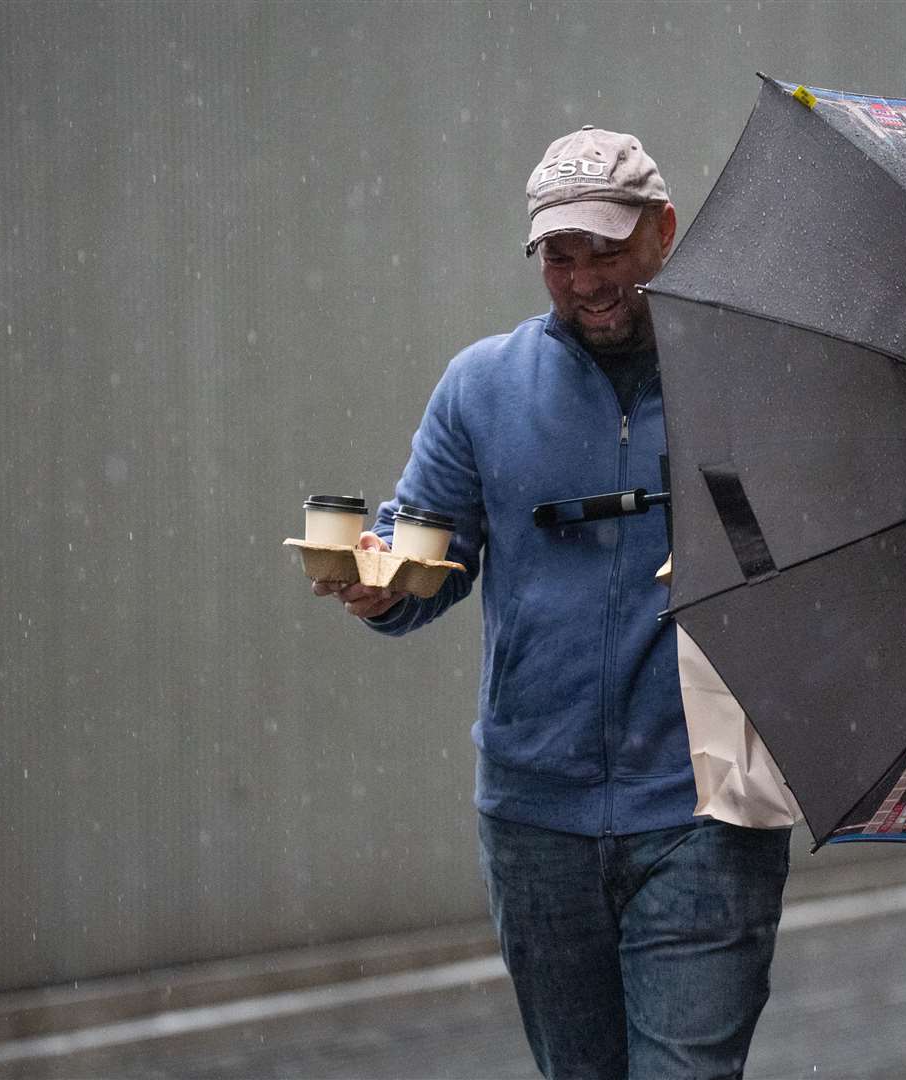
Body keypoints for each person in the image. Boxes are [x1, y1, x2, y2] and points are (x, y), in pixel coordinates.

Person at [313, 126, 791, 1079]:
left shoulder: (749, 382)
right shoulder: (482, 389)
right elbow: (426, 562)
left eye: (607, 253)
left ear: (664, 230)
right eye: (559, 259)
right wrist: (378, 590)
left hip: (709, 810)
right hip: (536, 822)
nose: (584, 281)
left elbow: (803, 567)